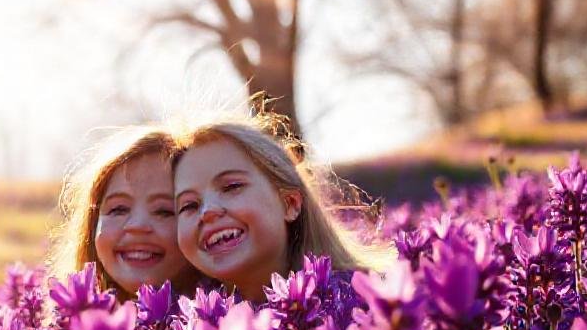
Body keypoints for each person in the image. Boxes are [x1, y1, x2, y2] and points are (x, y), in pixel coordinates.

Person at [171, 114, 393, 303]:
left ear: (290, 204)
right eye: (189, 205)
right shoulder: (184, 327)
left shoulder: (375, 299)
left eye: (231, 187)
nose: (207, 211)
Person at [51, 125, 199, 301]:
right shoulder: (66, 317)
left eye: (164, 211)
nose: (137, 226)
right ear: (92, 224)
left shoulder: (225, 315)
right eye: (118, 209)